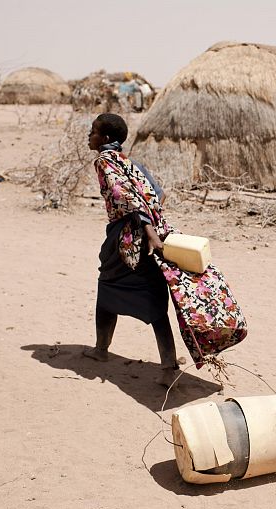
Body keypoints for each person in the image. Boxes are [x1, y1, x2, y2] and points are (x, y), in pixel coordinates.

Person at [83, 113, 180, 387]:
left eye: (93, 131)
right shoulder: (129, 162)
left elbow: (123, 196)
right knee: (154, 298)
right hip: (150, 233)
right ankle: (169, 367)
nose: (89, 135)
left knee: (107, 287)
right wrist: (152, 224)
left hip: (127, 239)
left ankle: (101, 350)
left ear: (105, 138)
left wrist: (147, 232)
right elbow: (159, 194)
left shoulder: (104, 161)